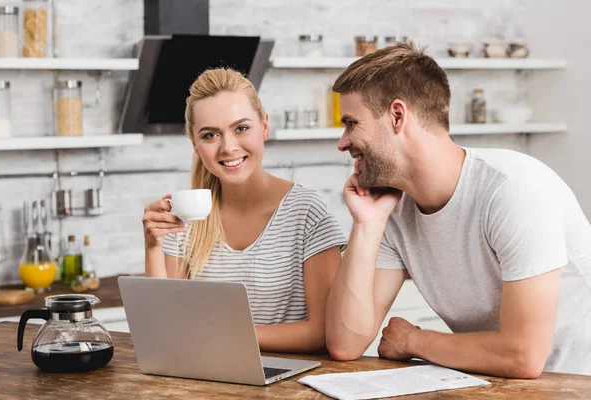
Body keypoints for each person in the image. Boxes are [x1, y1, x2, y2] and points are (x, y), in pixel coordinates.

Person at [325, 42, 591, 377]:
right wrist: (365, 224)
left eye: (351, 123)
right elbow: (345, 344)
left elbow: (522, 356)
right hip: (497, 386)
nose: (343, 141)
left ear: (397, 115)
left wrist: (413, 340)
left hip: (576, 384)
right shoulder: (392, 207)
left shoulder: (514, 189)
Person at [142, 68, 346, 353]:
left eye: (241, 128)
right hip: (207, 376)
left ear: (264, 126)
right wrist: (153, 245)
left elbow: (323, 331)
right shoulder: (187, 217)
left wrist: (228, 333)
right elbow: (162, 325)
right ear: (195, 145)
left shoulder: (307, 212)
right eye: (210, 135)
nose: (228, 147)